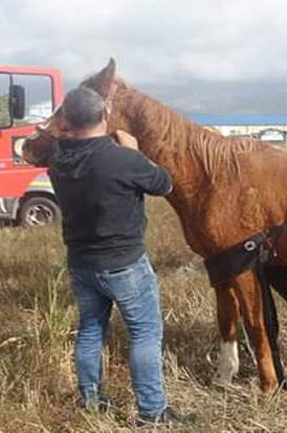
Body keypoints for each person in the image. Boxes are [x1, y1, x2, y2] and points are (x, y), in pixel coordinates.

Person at [47, 86, 193, 426]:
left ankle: (92, 402)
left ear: (67, 120)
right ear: (104, 116)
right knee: (144, 333)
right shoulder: (122, 159)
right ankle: (153, 413)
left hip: (81, 262)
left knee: (91, 330)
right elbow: (164, 184)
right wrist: (136, 152)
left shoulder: (57, 158)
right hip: (124, 264)